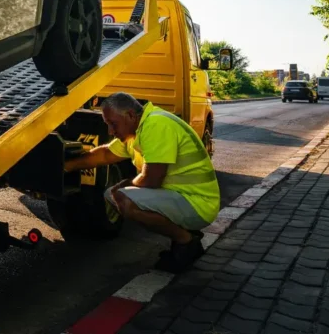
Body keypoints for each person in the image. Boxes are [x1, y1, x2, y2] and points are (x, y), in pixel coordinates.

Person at [64, 92, 220, 271]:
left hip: (198, 204)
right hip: (183, 197)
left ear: (130, 115)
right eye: (107, 125)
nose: (110, 131)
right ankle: (184, 234)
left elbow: (152, 179)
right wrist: (68, 165)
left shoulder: (156, 125)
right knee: (112, 195)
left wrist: (123, 186)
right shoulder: (136, 130)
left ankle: (186, 242)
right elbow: (106, 153)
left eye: (113, 124)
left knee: (124, 199)